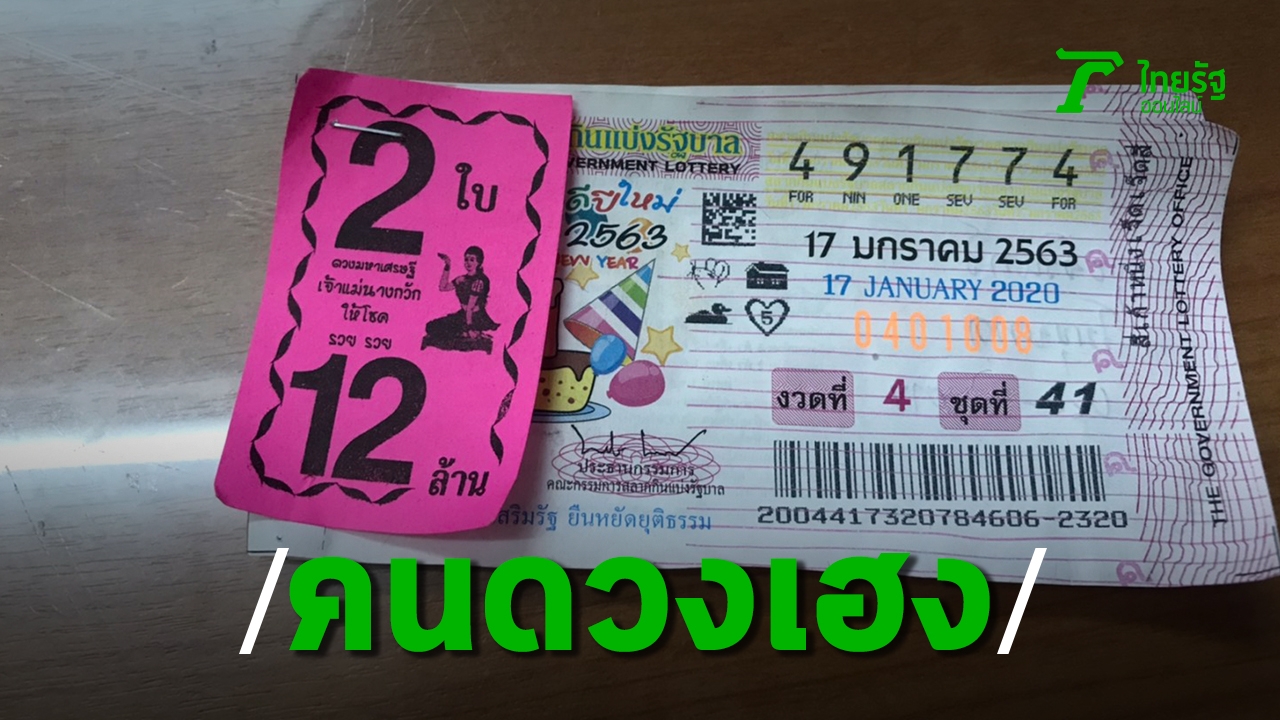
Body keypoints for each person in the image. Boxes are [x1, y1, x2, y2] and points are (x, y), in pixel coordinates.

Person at [421, 246, 498, 351]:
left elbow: (470, 307)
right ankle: (463, 332)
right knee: (430, 326)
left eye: (472, 260)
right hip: (462, 315)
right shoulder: (461, 279)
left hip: (475, 317)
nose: (468, 263)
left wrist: (469, 327)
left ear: (479, 262)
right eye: (466, 259)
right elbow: (443, 287)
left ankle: (471, 333)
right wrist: (447, 266)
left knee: (450, 332)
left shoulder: (479, 281)